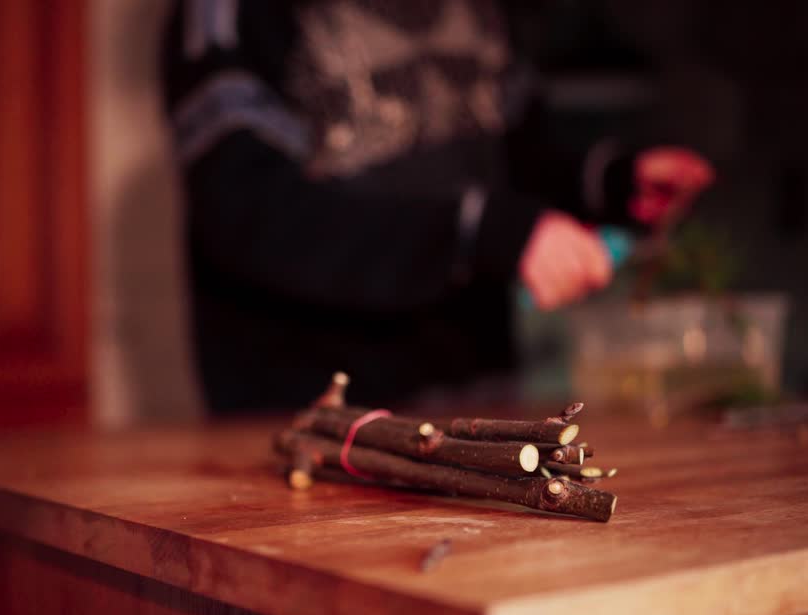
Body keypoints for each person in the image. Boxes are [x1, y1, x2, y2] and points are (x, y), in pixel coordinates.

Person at [162, 0, 712, 413]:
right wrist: (476, 232)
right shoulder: (227, 12)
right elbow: (248, 211)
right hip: (308, 416)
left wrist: (611, 179)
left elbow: (516, 154)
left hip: (480, 400)